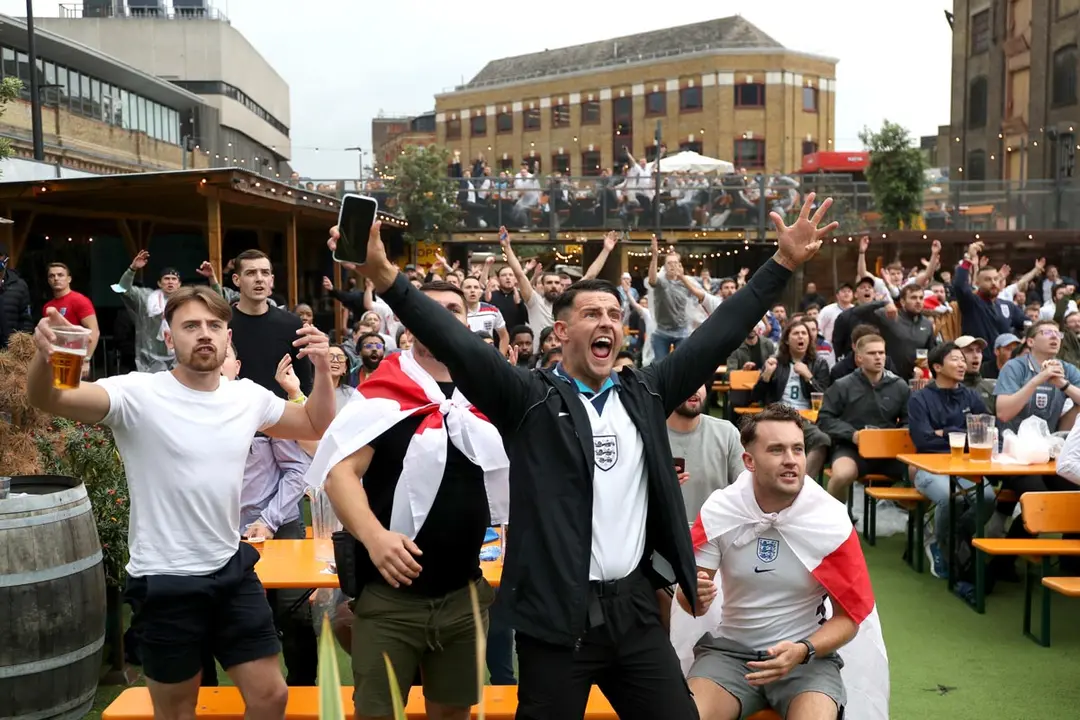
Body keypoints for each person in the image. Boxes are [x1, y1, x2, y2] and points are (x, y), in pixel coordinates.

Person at [328, 192, 838, 719]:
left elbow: (716, 334)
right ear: (561, 331)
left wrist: (781, 264)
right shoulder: (528, 398)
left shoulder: (646, 391)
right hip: (555, 618)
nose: (607, 323)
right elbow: (457, 344)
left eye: (615, 314)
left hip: (635, 612)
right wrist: (387, 279)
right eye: (592, 313)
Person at [26, 285, 336, 720]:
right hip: (164, 578)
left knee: (271, 696)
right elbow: (50, 397)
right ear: (169, 338)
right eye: (191, 326)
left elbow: (315, 423)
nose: (204, 333)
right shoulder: (136, 394)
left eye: (214, 325)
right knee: (177, 711)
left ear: (228, 337)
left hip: (231, 568)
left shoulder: (246, 396)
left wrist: (321, 369)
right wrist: (46, 357)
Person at [310, 281, 509, 720]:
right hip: (391, 599)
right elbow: (340, 473)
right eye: (428, 308)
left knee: (453, 715)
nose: (440, 317)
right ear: (409, 323)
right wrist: (375, 537)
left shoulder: (489, 388)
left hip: (465, 594)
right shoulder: (385, 391)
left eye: (453, 309)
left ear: (467, 322)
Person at [681, 404, 887, 720]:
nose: (791, 459)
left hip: (807, 660)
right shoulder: (721, 510)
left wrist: (803, 649)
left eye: (798, 449)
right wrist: (693, 595)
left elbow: (850, 617)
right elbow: (692, 603)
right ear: (749, 461)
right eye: (776, 450)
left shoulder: (829, 520)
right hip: (731, 655)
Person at [906, 342, 996, 579]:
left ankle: (952, 538)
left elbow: (984, 433)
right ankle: (942, 546)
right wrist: (960, 433)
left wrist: (944, 432)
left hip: (965, 465)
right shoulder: (920, 399)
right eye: (955, 359)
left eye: (962, 360)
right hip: (929, 466)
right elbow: (923, 440)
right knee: (950, 499)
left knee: (987, 498)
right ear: (937, 367)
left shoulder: (971, 396)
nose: (962, 364)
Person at [817, 334, 910, 503]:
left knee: (920, 473)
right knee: (842, 475)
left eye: (881, 353)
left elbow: (908, 420)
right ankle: (837, 517)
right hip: (851, 448)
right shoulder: (842, 385)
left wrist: (900, 434)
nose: (878, 357)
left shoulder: (899, 385)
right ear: (859, 358)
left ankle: (914, 515)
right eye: (872, 353)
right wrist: (852, 434)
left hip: (889, 450)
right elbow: (824, 419)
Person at [111, 250, 179, 372]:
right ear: (159, 283)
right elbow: (122, 289)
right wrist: (132, 269)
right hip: (149, 357)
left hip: (178, 356)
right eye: (166, 278)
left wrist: (212, 279)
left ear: (179, 284)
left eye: (174, 279)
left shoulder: (187, 301)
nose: (170, 282)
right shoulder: (146, 297)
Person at [43, 262, 99, 374]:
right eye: (52, 276)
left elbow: (94, 331)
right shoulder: (47, 307)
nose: (56, 278)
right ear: (48, 280)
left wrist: (86, 359)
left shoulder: (79, 300)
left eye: (60, 275)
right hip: (55, 359)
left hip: (76, 358)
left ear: (69, 279)